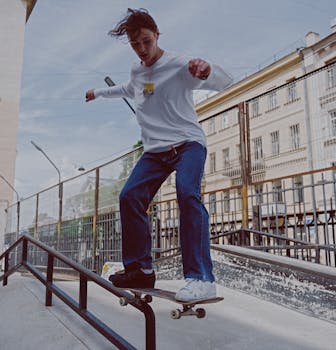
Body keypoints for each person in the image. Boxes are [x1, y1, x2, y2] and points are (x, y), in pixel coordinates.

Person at [85, 8, 233, 301]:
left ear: (157, 35)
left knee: (187, 194)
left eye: (146, 41)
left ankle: (201, 277)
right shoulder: (138, 71)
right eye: (135, 44)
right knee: (129, 196)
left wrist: (207, 71)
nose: (142, 50)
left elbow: (223, 80)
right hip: (155, 151)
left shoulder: (179, 64)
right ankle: (140, 269)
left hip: (188, 144)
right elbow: (129, 89)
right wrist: (97, 93)